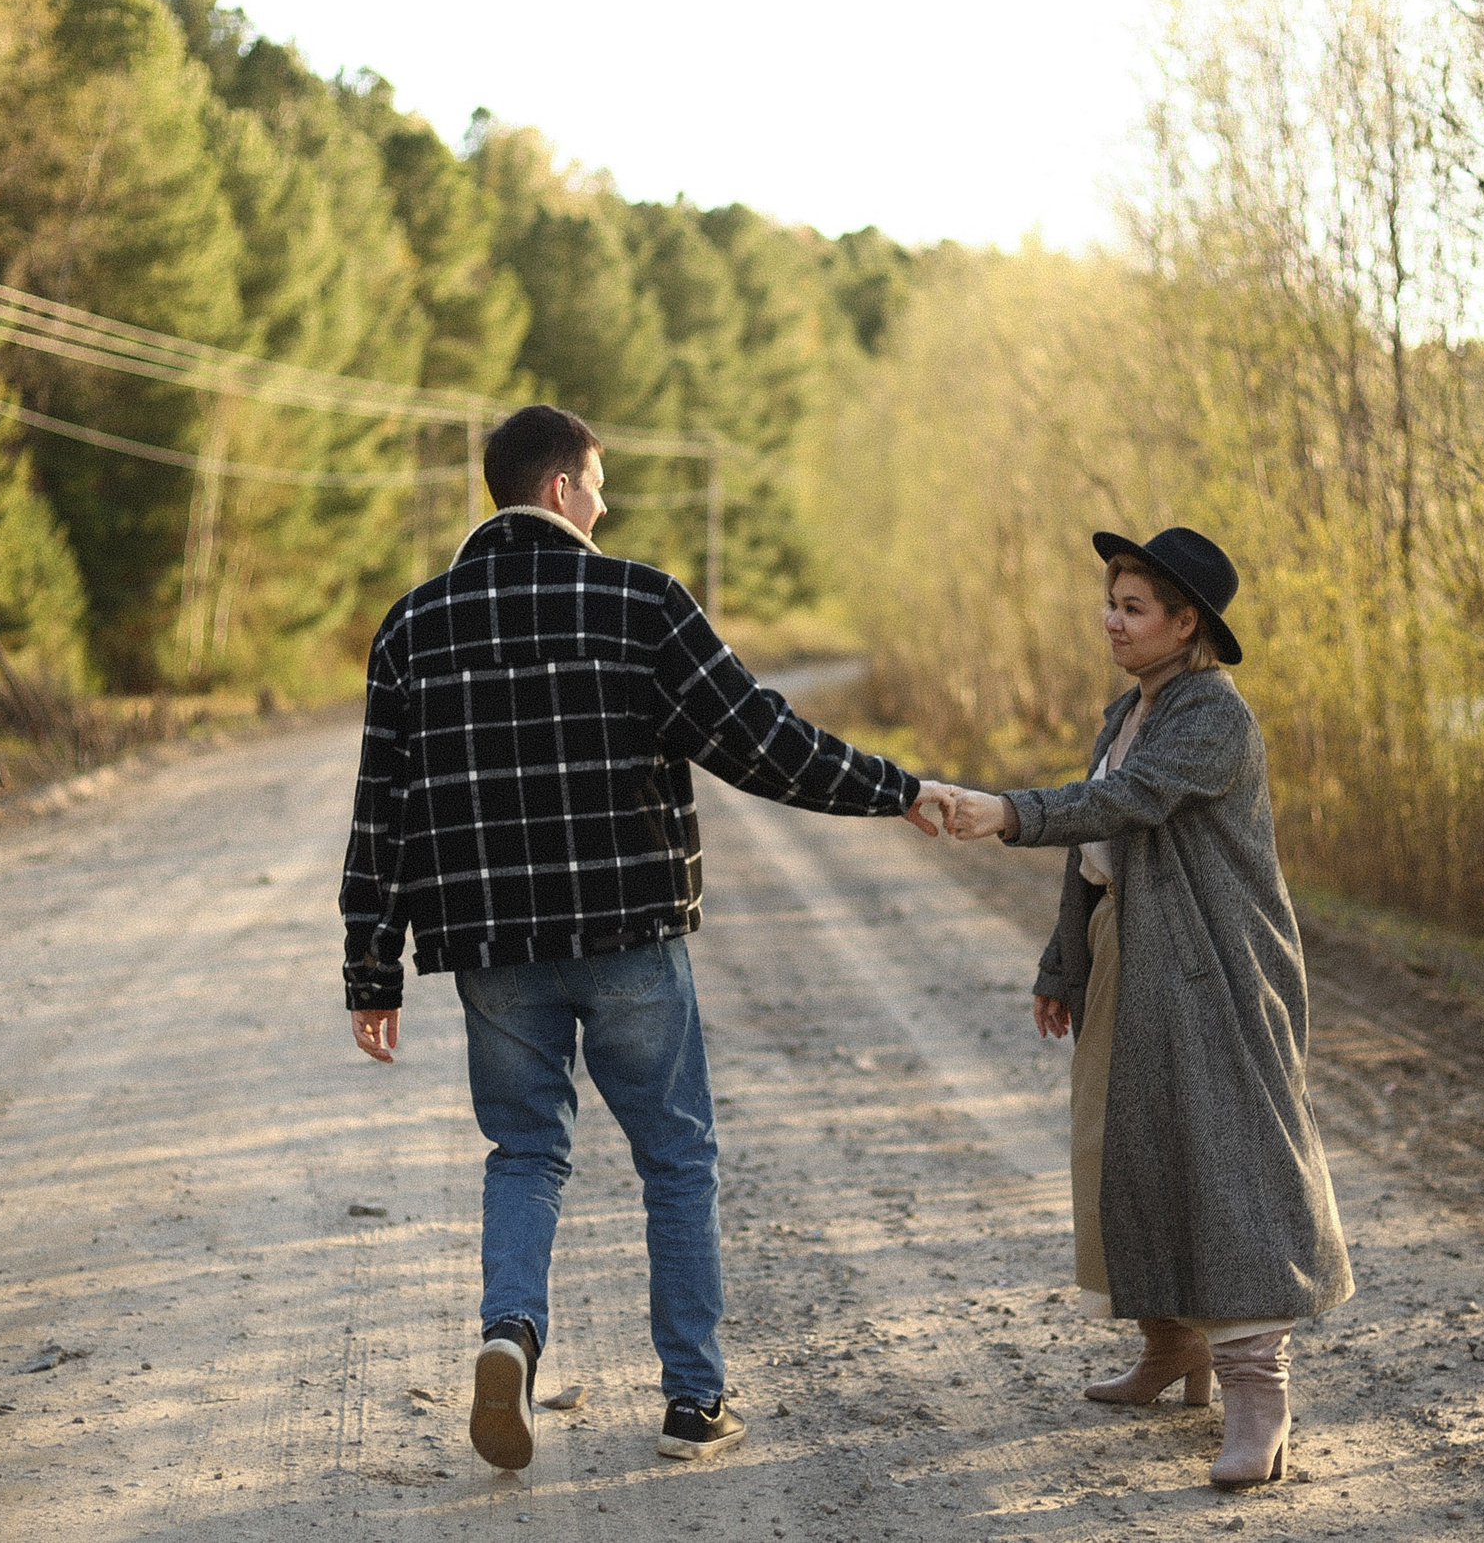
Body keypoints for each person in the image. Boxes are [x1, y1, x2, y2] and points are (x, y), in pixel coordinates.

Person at [340, 404, 947, 1471]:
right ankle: (691, 1404)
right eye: (600, 485)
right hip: (629, 935)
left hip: (491, 954)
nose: (607, 504)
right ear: (564, 490)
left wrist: (370, 969)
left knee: (526, 1151)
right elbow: (760, 741)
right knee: (674, 1159)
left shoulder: (411, 626)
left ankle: (510, 1333)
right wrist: (896, 791)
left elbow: (381, 811)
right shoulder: (638, 601)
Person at [940, 526, 1351, 1490]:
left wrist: (1002, 810)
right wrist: (1062, 962)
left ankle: (1259, 1394)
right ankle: (1174, 1350)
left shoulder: (1212, 715)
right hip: (1134, 949)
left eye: (1133, 607)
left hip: (1213, 962)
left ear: (1185, 622)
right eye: (1110, 602)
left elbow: (1126, 803)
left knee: (1223, 1156)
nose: (1112, 621)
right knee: (1126, 1141)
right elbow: (1096, 862)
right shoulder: (1132, 707)